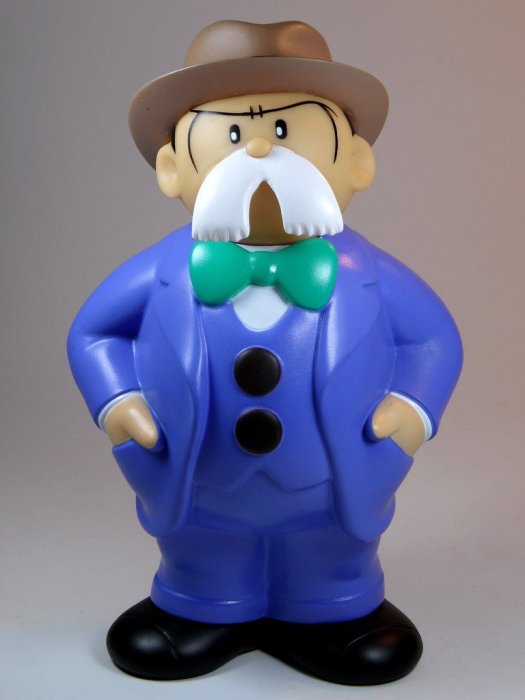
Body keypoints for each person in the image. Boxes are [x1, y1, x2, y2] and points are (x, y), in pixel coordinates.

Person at [68, 20, 463, 685]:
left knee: (332, 553)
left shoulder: (369, 273)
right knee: (203, 548)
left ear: (357, 162)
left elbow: (433, 338)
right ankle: (204, 602)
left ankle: (331, 606)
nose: (258, 149)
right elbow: (93, 333)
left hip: (335, 481)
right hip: (198, 482)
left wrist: (410, 412)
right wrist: (118, 402)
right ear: (172, 168)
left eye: (285, 129)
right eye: (231, 135)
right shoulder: (162, 271)